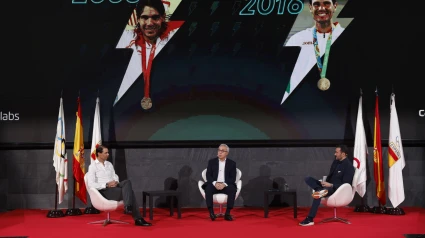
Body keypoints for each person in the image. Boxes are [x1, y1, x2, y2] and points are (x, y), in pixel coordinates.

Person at [114, 0, 183, 107]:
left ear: (163, 17)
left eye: (155, 17)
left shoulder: (175, 35)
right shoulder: (127, 40)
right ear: (138, 19)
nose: (150, 23)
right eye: (144, 17)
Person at [281, 0, 344, 104]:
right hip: (302, 103)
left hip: (338, 104)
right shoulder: (297, 38)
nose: (321, 8)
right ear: (310, 7)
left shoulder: (345, 35)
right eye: (316, 4)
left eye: (326, 3)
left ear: (335, 6)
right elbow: (285, 74)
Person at [87, 145, 152, 226]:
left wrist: (115, 182)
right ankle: (137, 218)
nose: (108, 154)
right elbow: (91, 184)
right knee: (130, 192)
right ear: (99, 154)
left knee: (127, 182)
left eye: (108, 152)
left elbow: (115, 176)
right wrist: (106, 185)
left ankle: (128, 207)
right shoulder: (93, 166)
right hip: (104, 191)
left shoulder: (109, 164)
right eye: (106, 153)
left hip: (114, 186)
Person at [299, 144, 354, 226]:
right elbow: (330, 176)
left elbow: (346, 184)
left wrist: (331, 185)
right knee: (308, 179)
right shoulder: (335, 162)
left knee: (318, 194)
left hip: (336, 189)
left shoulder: (349, 166)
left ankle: (310, 219)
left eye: (336, 152)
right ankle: (320, 190)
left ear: (343, 154)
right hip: (327, 186)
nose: (335, 154)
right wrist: (324, 182)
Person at [203, 144, 237, 221]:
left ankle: (227, 213)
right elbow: (208, 175)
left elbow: (233, 178)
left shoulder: (232, 163)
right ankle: (211, 213)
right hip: (214, 184)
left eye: (222, 151)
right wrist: (215, 183)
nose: (220, 152)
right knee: (208, 189)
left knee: (232, 189)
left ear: (227, 153)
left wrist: (224, 184)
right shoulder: (211, 162)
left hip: (226, 184)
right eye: (219, 150)